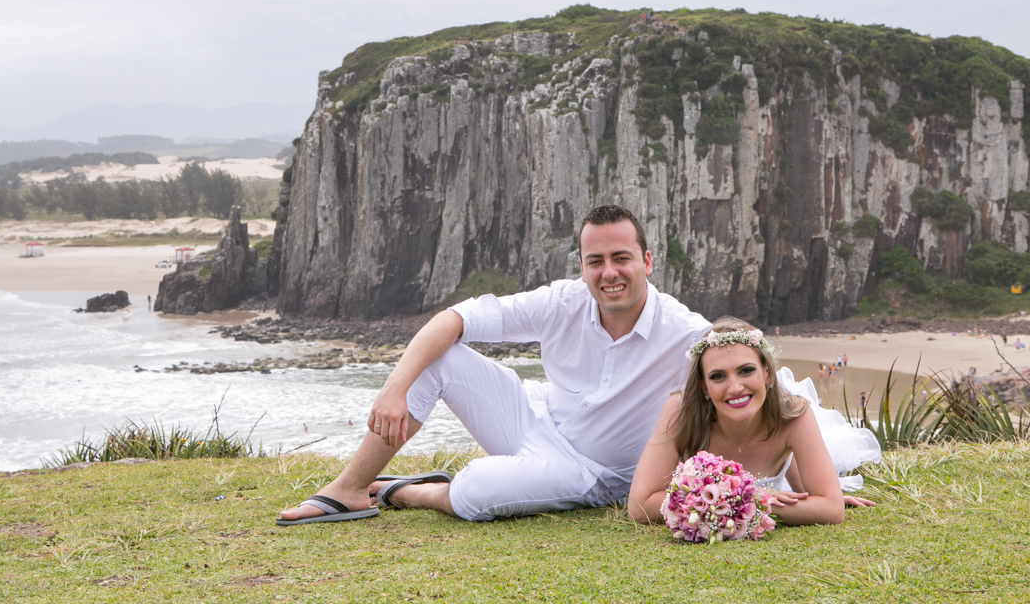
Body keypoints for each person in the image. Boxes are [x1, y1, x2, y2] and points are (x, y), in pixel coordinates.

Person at [276, 204, 710, 525]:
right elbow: (454, 318)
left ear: (646, 262)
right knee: (439, 358)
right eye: (595, 261)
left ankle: (410, 492)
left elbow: (745, 383)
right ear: (582, 268)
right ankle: (350, 488)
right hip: (532, 417)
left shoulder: (688, 335)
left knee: (477, 490)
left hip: (587, 473)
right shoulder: (562, 301)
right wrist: (395, 386)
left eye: (621, 258)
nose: (609, 272)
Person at [626, 317, 879, 526]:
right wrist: (751, 498)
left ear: (767, 373)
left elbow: (831, 510)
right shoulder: (680, 412)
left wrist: (815, 500)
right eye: (718, 376)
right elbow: (639, 507)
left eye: (746, 370)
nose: (735, 387)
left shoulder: (793, 416)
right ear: (703, 385)